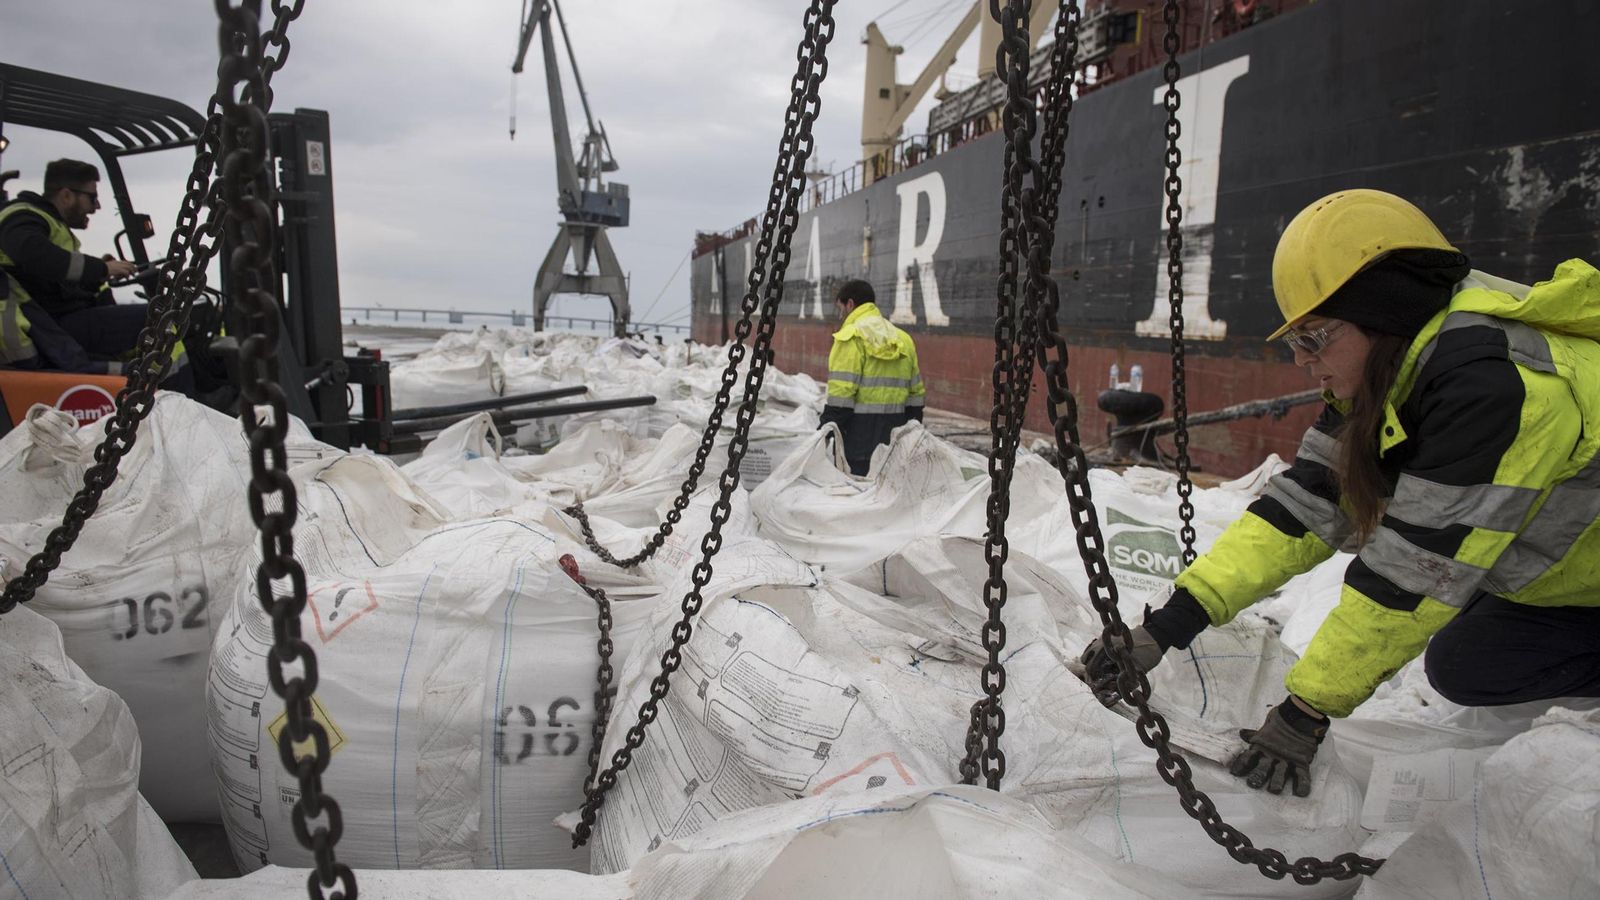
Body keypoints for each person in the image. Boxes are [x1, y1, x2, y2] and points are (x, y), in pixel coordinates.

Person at [1080, 189, 1600, 797]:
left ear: (1384, 317)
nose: (1302, 363)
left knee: (1464, 664)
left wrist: (1304, 714)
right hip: (1563, 574)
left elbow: (1412, 574)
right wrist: (1164, 626)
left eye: (1314, 340)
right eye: (1294, 343)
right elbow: (1300, 512)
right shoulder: (1392, 375)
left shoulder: (1496, 392)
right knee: (1460, 640)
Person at [0, 158, 191, 393]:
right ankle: (181, 400)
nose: (96, 207)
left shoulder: (49, 224)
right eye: (92, 197)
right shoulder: (21, 216)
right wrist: (102, 270)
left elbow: (52, 279)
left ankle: (146, 387)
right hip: (51, 327)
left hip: (58, 320)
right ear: (67, 195)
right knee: (158, 321)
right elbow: (31, 253)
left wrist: (98, 272)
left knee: (145, 324)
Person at [818, 279, 926, 475]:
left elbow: (841, 398)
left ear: (850, 304)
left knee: (854, 496)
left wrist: (823, 432)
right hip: (894, 440)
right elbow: (916, 396)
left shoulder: (850, 337)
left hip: (857, 440)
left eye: (841, 308)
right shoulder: (903, 339)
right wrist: (910, 435)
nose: (841, 314)